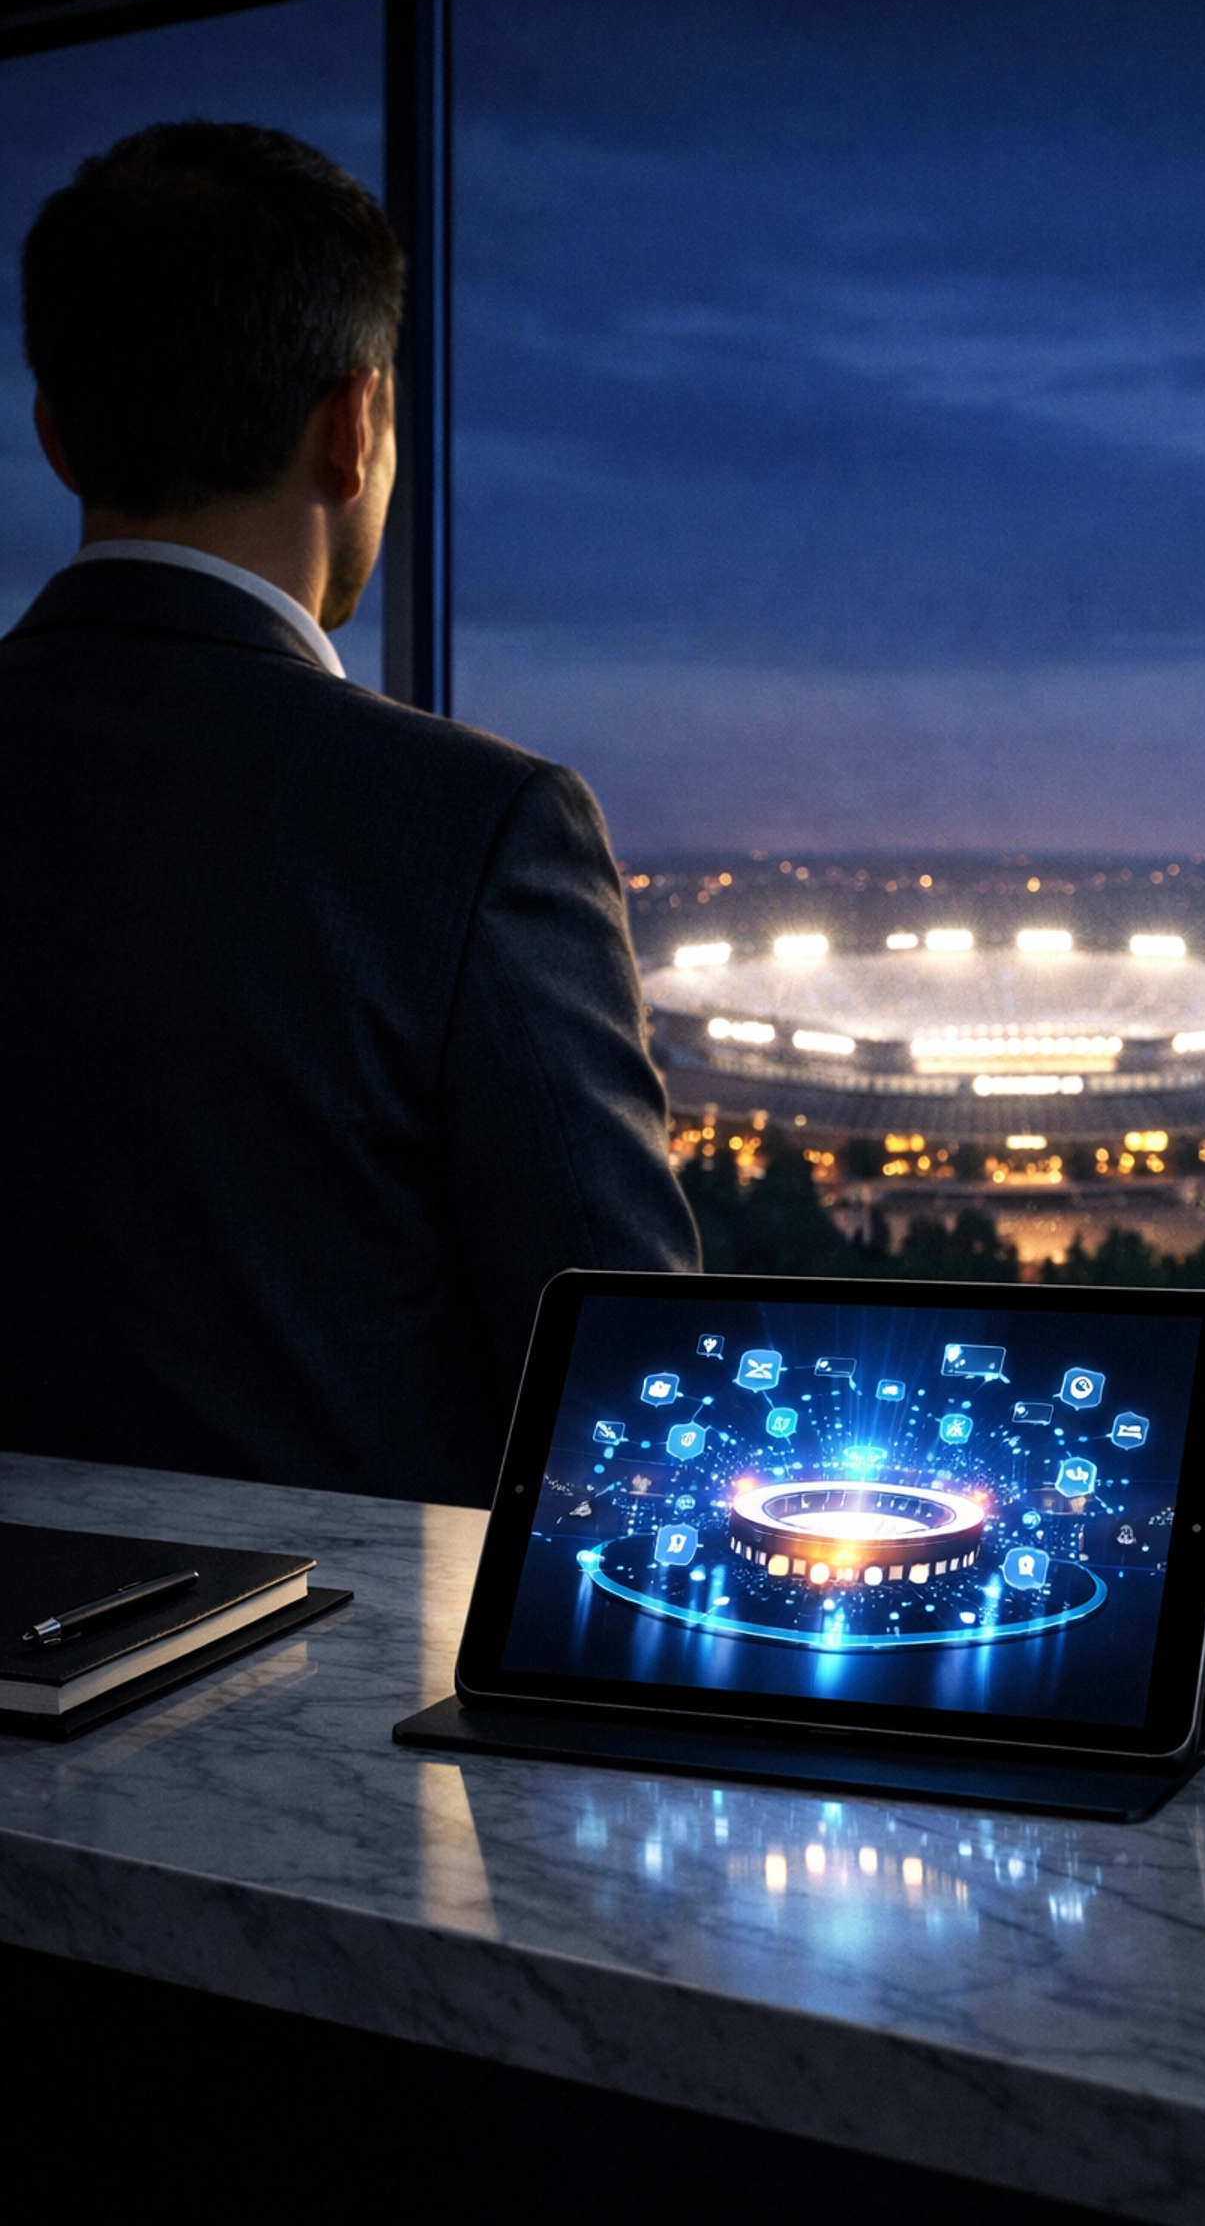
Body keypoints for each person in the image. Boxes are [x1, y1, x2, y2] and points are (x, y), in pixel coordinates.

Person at [0, 122, 698, 1506]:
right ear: (354, 425)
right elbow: (629, 1375)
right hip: (317, 1694)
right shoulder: (476, 828)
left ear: (58, 436)